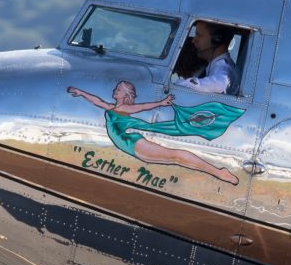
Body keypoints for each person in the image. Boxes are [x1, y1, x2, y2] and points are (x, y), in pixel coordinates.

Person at [67, 82, 241, 185]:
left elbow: (143, 107)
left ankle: (219, 172)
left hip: (133, 143)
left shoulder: (126, 108)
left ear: (125, 94)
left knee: (176, 156)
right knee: (174, 157)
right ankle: (218, 172)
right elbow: (97, 101)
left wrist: (161, 102)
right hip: (129, 145)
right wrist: (81, 92)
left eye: (118, 89)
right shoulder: (114, 107)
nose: (115, 90)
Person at [173, 21, 240, 95]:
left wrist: (176, 85)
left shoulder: (224, 67)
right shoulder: (215, 65)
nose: (194, 40)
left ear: (217, 39)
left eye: (199, 35)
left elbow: (221, 84)